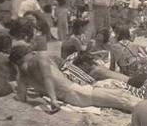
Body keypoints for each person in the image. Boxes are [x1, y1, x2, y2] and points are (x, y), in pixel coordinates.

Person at [10, 44, 139, 113]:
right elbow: (47, 77)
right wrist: (53, 100)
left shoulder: (22, 76)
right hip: (76, 92)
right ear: (28, 54)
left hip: (71, 97)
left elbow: (21, 98)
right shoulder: (39, 57)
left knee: (119, 96)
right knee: (122, 99)